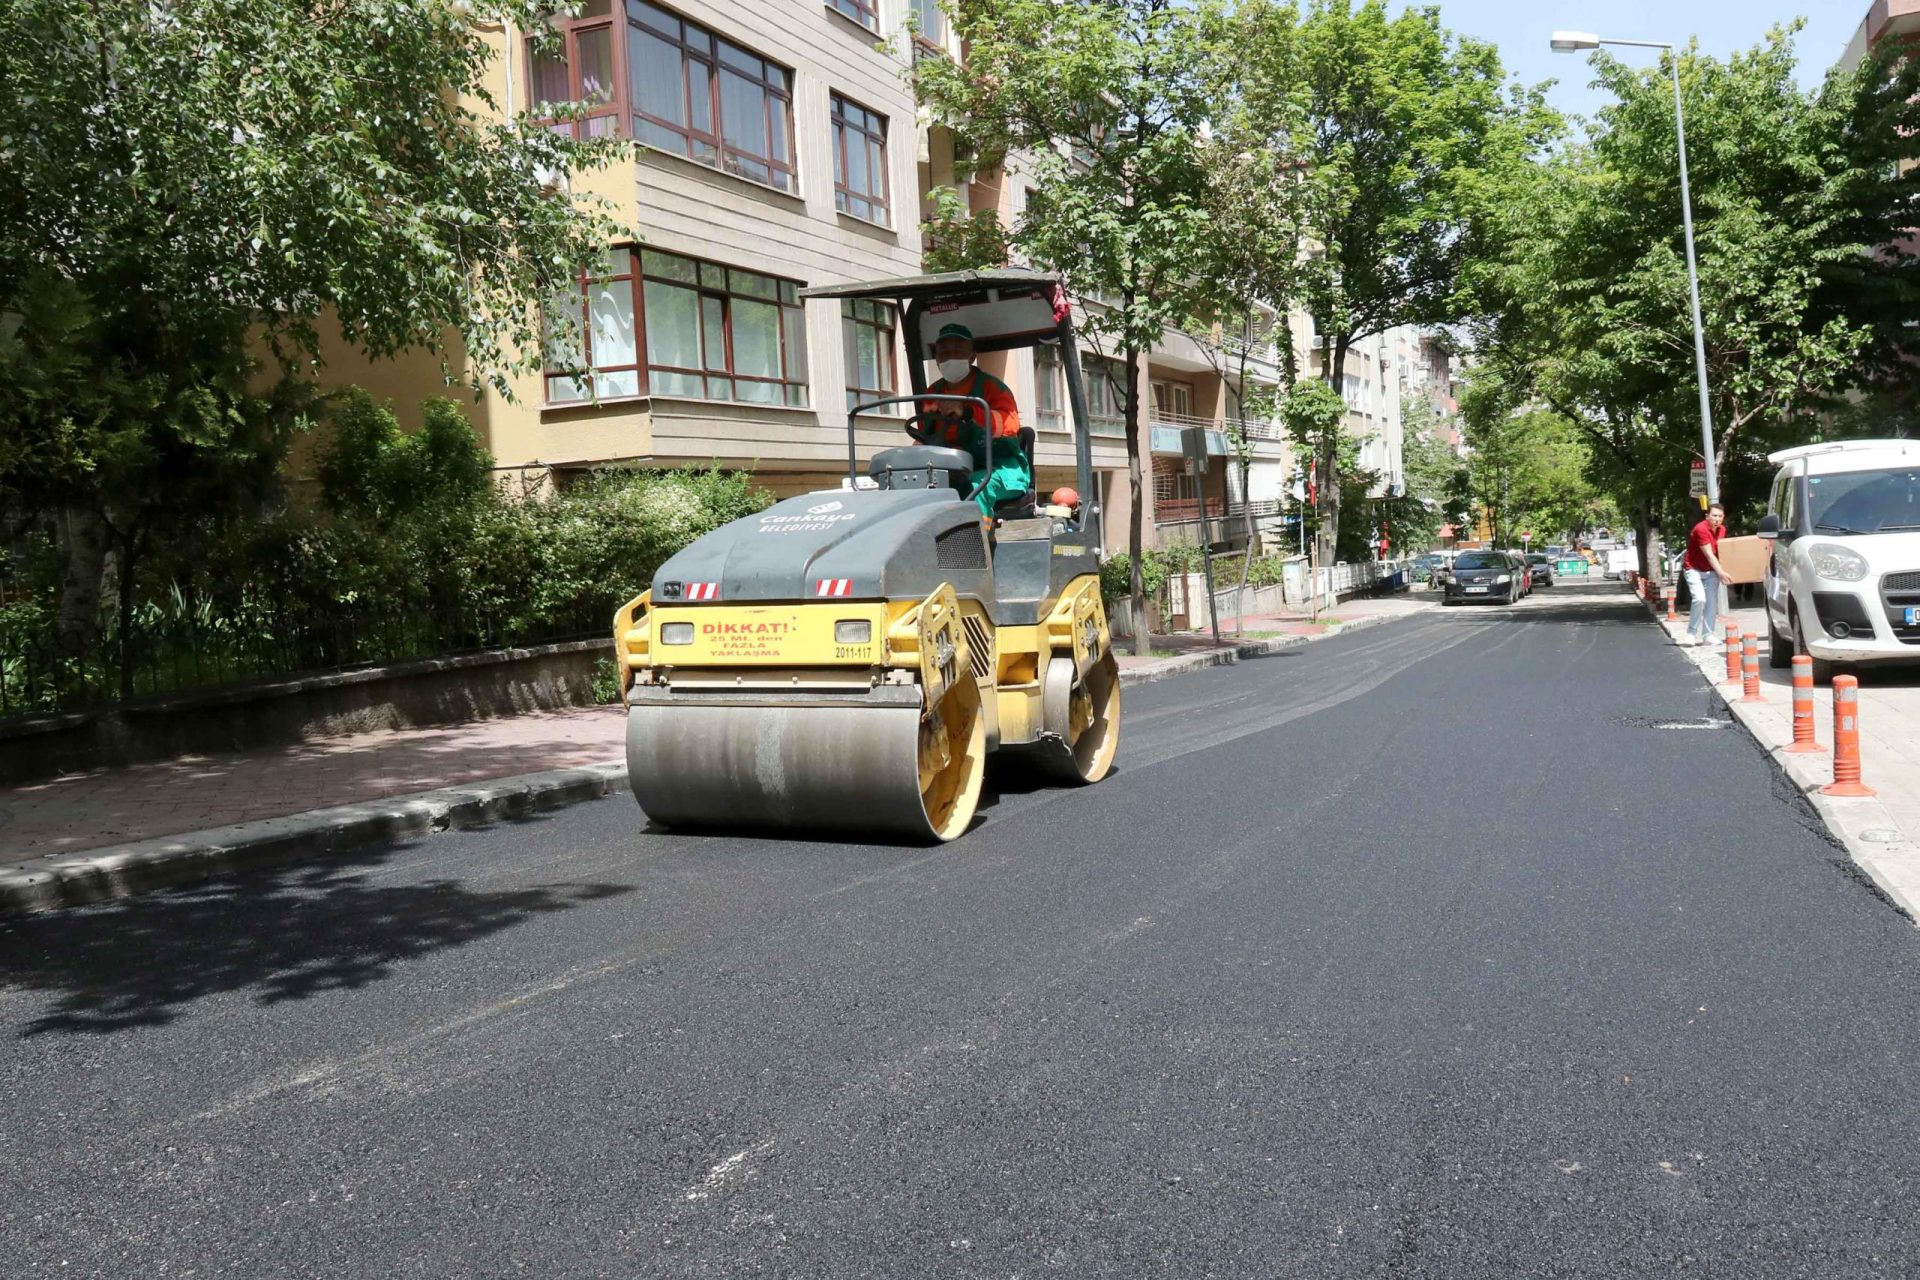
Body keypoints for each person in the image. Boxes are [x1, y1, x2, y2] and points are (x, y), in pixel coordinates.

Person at [919, 322, 1033, 516]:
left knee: (977, 486)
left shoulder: (992, 388)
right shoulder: (932, 394)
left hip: (999, 469)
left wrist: (969, 412)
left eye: (958, 351)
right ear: (936, 358)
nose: (950, 357)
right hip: (953, 470)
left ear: (972, 356)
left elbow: (1009, 424)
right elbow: (925, 435)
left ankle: (975, 544)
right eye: (944, 352)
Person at [1683, 501, 1731, 645]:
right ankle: (1691, 633)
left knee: (1711, 603)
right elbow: (1709, 554)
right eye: (1714, 515)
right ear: (1707, 516)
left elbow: (1721, 552)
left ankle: (1708, 635)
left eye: (1720, 516)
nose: (1717, 519)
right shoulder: (1700, 529)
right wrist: (1721, 572)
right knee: (1699, 599)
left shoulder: (1722, 530)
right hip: (1693, 569)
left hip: (1711, 571)